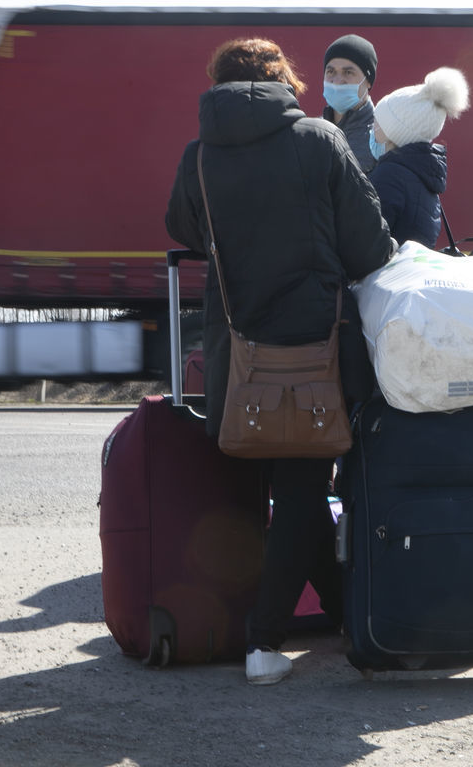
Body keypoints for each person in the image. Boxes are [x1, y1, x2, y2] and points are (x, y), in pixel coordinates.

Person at [165, 38, 395, 685]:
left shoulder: (200, 155)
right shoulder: (320, 140)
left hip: (238, 355)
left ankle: (354, 619)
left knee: (292, 492)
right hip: (312, 349)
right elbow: (369, 248)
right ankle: (264, 642)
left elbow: (182, 226)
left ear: (220, 85)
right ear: (281, 80)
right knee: (300, 492)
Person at [368, 67, 470, 247]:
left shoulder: (389, 175)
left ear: (395, 132)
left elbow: (368, 244)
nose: (372, 128)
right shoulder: (424, 174)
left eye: (377, 122)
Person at [322, 34, 379, 173]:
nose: (337, 80)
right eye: (331, 71)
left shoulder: (381, 136)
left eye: (348, 72)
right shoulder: (315, 131)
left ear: (368, 81)